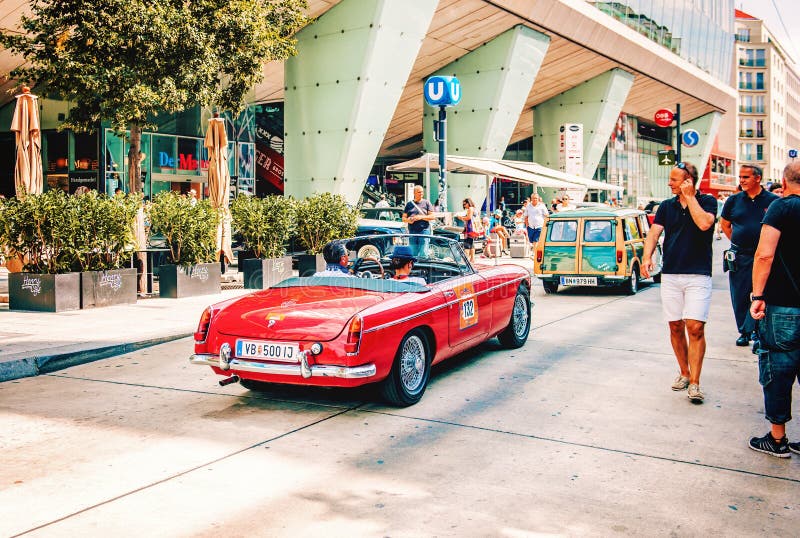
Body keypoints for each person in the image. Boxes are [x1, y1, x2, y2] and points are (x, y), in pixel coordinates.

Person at [642, 161, 717, 403]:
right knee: (675, 326)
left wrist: (690, 197)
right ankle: (684, 373)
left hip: (698, 274)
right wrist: (646, 257)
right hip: (672, 274)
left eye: (674, 179)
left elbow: (705, 224)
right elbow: (654, 232)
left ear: (688, 181)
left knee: (695, 327)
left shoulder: (707, 202)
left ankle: (695, 382)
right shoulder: (666, 206)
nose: (669, 183)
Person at [747, 161, 800, 458]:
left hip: (784, 305)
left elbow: (764, 254)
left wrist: (757, 294)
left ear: (784, 180)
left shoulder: (782, 208)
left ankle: (777, 439)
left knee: (778, 370)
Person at [720, 165, 779, 349]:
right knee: (739, 294)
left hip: (765, 255)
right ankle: (744, 332)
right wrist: (738, 242)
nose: (742, 180)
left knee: (762, 293)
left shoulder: (773, 201)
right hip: (740, 255)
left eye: (746, 177)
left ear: (758, 178)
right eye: (740, 177)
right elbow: (725, 225)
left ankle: (757, 332)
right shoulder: (733, 200)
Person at [403, 185, 436, 256]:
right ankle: (414, 266)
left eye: (422, 192)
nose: (421, 194)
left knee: (423, 252)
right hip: (412, 231)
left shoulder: (427, 203)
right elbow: (403, 218)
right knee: (413, 252)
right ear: (414, 193)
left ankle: (423, 266)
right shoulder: (409, 204)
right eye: (419, 192)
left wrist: (420, 217)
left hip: (424, 231)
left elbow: (432, 216)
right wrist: (409, 220)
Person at [454, 198, 478, 262]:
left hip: (470, 228)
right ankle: (472, 259)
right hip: (473, 228)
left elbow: (468, 218)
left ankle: (466, 260)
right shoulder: (474, 209)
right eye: (463, 204)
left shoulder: (470, 209)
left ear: (468, 203)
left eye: (465, 204)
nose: (464, 206)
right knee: (471, 243)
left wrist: (460, 217)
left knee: (467, 244)